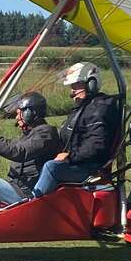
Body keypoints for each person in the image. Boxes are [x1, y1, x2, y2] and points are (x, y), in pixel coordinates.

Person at [0, 92, 60, 214]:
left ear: (30, 113)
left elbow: (19, 152)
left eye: (19, 113)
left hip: (25, 193)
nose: (17, 118)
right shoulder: (31, 134)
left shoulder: (45, 134)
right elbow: (12, 145)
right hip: (16, 186)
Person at [32, 62, 118, 197]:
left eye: (76, 85)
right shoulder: (84, 107)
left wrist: (70, 156)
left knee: (51, 167)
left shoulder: (99, 109)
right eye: (72, 86)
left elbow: (97, 145)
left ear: (91, 84)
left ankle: (32, 205)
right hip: (80, 163)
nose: (72, 91)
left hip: (90, 168)